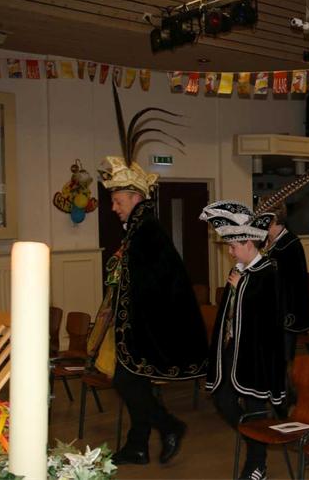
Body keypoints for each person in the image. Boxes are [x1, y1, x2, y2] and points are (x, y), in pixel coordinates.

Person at [97, 156, 208, 466]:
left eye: (118, 201)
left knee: (126, 381)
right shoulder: (139, 228)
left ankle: (169, 425)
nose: (113, 207)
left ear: (135, 198)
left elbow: (153, 283)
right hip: (139, 323)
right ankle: (138, 446)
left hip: (146, 326)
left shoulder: (146, 230)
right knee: (135, 382)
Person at [199, 201, 286, 480]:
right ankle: (255, 440)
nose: (230, 251)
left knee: (255, 406)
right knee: (223, 399)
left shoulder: (268, 271)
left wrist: (243, 288)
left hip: (256, 354)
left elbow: (269, 315)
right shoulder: (240, 271)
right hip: (232, 348)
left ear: (249, 243)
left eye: (233, 246)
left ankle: (257, 464)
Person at [262, 203, 309, 403]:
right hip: (270, 311)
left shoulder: (291, 244)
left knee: (283, 359)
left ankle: (285, 400)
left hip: (286, 312)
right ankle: (277, 395)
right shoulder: (267, 242)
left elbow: (295, 284)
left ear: (274, 219)